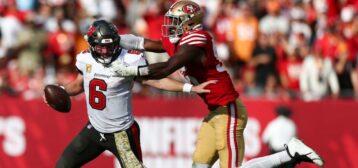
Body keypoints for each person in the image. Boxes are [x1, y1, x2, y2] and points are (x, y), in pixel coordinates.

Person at [113, 0, 324, 168]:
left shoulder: (197, 40)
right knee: (199, 166)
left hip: (228, 111)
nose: (170, 26)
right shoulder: (183, 39)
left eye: (175, 21)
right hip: (214, 112)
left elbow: (168, 67)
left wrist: (132, 71)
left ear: (188, 23)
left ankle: (290, 153)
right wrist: (117, 39)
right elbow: (150, 44)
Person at [43, 20, 215, 168]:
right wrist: (62, 91)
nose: (106, 52)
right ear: (92, 46)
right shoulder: (84, 58)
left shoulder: (129, 59)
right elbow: (79, 84)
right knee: (63, 165)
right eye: (101, 48)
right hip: (95, 129)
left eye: (110, 47)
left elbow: (154, 80)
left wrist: (189, 88)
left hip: (121, 134)